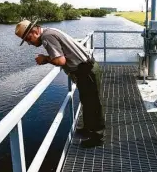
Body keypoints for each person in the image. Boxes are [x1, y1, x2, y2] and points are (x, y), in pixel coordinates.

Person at [15, 19, 105, 148]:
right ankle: (88, 128)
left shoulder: (47, 36)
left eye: (28, 39)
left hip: (87, 72)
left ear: (34, 31)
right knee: (87, 101)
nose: (29, 43)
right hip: (85, 71)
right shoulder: (50, 31)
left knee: (94, 104)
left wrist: (45, 59)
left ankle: (98, 136)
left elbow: (60, 61)